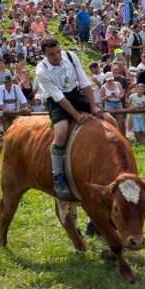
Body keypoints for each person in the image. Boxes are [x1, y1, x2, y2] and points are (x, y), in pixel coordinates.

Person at [35, 37, 103, 199]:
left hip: (75, 93)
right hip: (56, 101)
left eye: (58, 52)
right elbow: (58, 97)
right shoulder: (41, 70)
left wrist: (93, 106)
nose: (57, 56)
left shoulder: (71, 56)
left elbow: (84, 81)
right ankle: (58, 175)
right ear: (44, 54)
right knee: (60, 133)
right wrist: (77, 115)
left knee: (109, 119)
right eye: (52, 55)